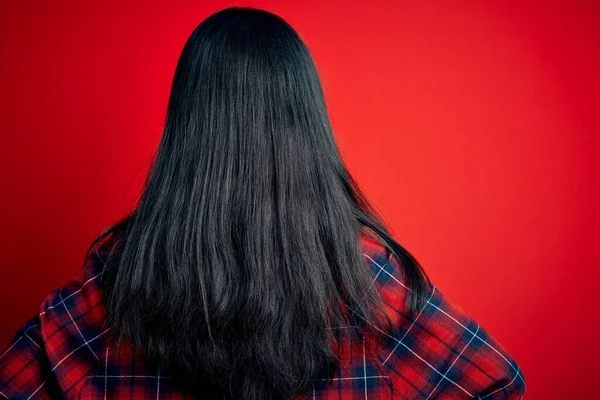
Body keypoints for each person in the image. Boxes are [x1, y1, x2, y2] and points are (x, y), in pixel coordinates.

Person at [0, 6, 525, 400]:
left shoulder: (118, 276)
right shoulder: (361, 275)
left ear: (188, 126)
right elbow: (495, 382)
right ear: (306, 123)